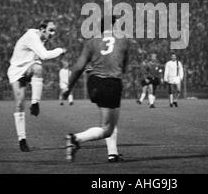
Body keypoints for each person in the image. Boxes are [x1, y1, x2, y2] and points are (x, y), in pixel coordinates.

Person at [63, 16, 130, 163]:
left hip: (94, 82)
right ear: (113, 25)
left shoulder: (91, 41)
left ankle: (113, 154)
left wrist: (68, 89)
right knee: (107, 128)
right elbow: (124, 66)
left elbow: (78, 68)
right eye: (117, 24)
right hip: (111, 82)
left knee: (110, 121)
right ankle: (75, 139)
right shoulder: (124, 39)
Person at [7, 19, 66, 152]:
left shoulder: (42, 38)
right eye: (51, 30)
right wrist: (60, 50)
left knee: (38, 68)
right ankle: (22, 139)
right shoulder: (32, 36)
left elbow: (38, 58)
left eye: (54, 30)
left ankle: (35, 103)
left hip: (28, 66)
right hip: (16, 70)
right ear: (42, 29)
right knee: (20, 102)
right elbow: (44, 55)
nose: (53, 33)